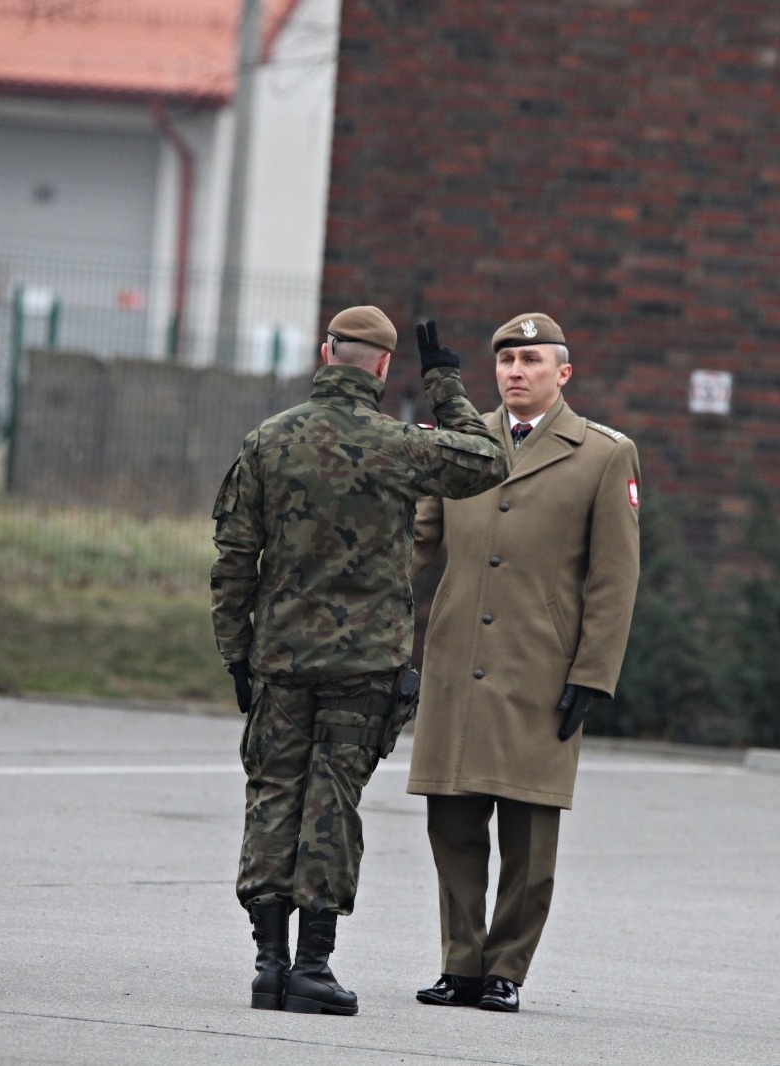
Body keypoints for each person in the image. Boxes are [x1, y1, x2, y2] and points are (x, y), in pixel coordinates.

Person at [210, 307, 506, 1016]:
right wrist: (444, 382)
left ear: (325, 353)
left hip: (279, 656)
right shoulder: (400, 445)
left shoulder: (268, 442)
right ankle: (313, 966)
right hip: (364, 663)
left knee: (273, 795)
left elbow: (232, 560)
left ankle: (269, 964)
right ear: (380, 366)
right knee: (331, 802)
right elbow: (489, 459)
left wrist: (236, 655)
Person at [406, 311, 641, 1013]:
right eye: (506, 359)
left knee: (529, 832)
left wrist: (592, 675)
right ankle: (461, 963)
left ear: (562, 373)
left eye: (532, 360)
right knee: (451, 821)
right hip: (457, 661)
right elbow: (417, 542)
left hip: (542, 669)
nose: (516, 371)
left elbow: (614, 576)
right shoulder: (462, 443)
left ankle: (506, 967)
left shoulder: (602, 453)